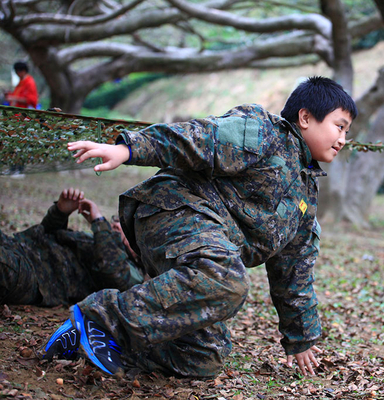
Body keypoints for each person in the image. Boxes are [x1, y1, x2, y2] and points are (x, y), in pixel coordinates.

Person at [43, 76, 357, 378]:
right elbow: (196, 137)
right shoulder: (264, 134)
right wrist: (128, 149)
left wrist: (300, 339)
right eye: (339, 126)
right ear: (305, 117)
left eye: (347, 131)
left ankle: (95, 342)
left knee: (204, 355)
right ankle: (100, 319)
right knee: (226, 277)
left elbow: (293, 272)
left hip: (203, 249)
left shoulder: (305, 199)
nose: (343, 139)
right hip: (171, 210)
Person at [0, 187, 144, 306]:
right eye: (117, 220)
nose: (115, 224)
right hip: (17, 246)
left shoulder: (132, 274)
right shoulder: (100, 240)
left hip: (31, 275)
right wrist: (60, 212)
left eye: (127, 228)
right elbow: (46, 236)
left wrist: (99, 222)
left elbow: (112, 272)